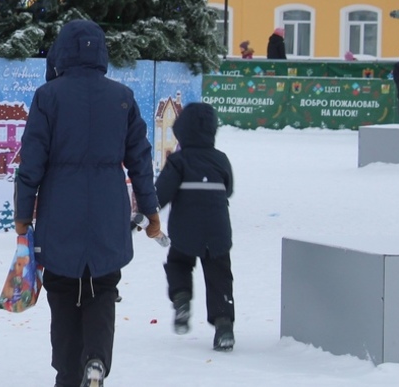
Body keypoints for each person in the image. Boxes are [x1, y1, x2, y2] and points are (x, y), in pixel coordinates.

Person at [14, 20, 162, 387]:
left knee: (63, 290)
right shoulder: (123, 97)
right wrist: (152, 211)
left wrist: (22, 214)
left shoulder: (48, 96)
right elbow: (141, 161)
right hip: (109, 211)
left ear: (61, 52)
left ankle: (68, 372)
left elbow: (31, 161)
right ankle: (95, 359)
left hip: (59, 210)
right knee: (103, 287)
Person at [156, 102, 235, 352]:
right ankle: (224, 327)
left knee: (179, 263)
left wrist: (145, 213)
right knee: (219, 275)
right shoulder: (221, 159)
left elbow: (161, 194)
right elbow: (229, 189)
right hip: (218, 230)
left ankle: (181, 300)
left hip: (185, 230)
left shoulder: (178, 161)